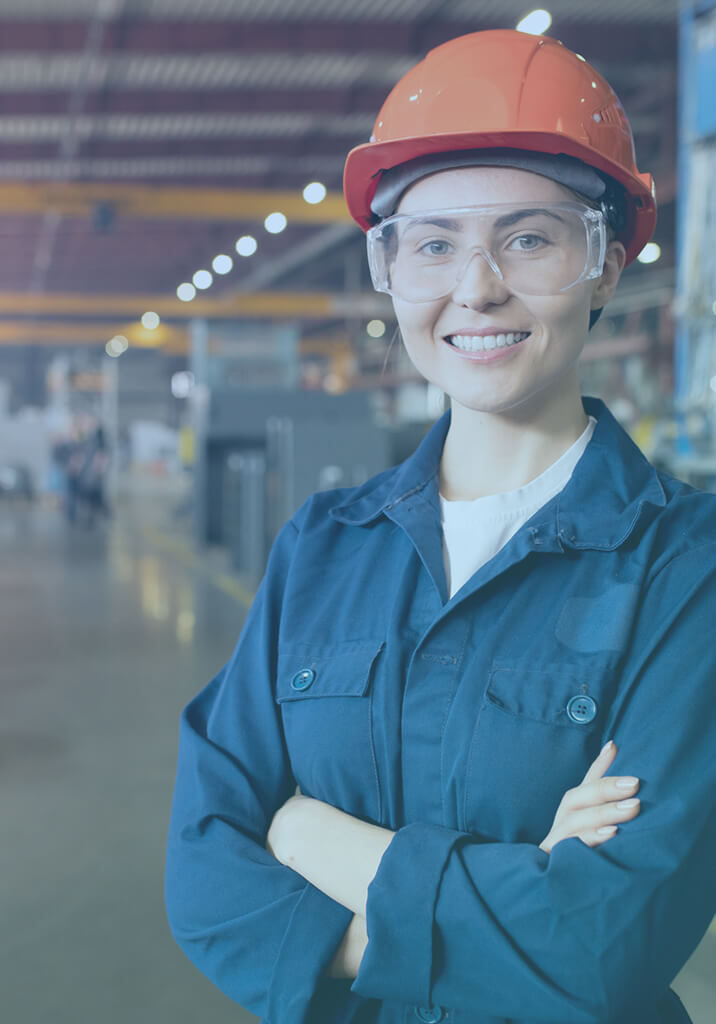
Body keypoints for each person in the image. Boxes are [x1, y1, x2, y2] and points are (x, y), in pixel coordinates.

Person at [165, 30, 716, 1024]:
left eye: (527, 237)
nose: (474, 287)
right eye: (432, 244)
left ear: (605, 265)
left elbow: (608, 941)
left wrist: (307, 837)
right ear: (389, 270)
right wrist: (520, 886)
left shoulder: (687, 567)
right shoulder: (322, 550)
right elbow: (205, 871)